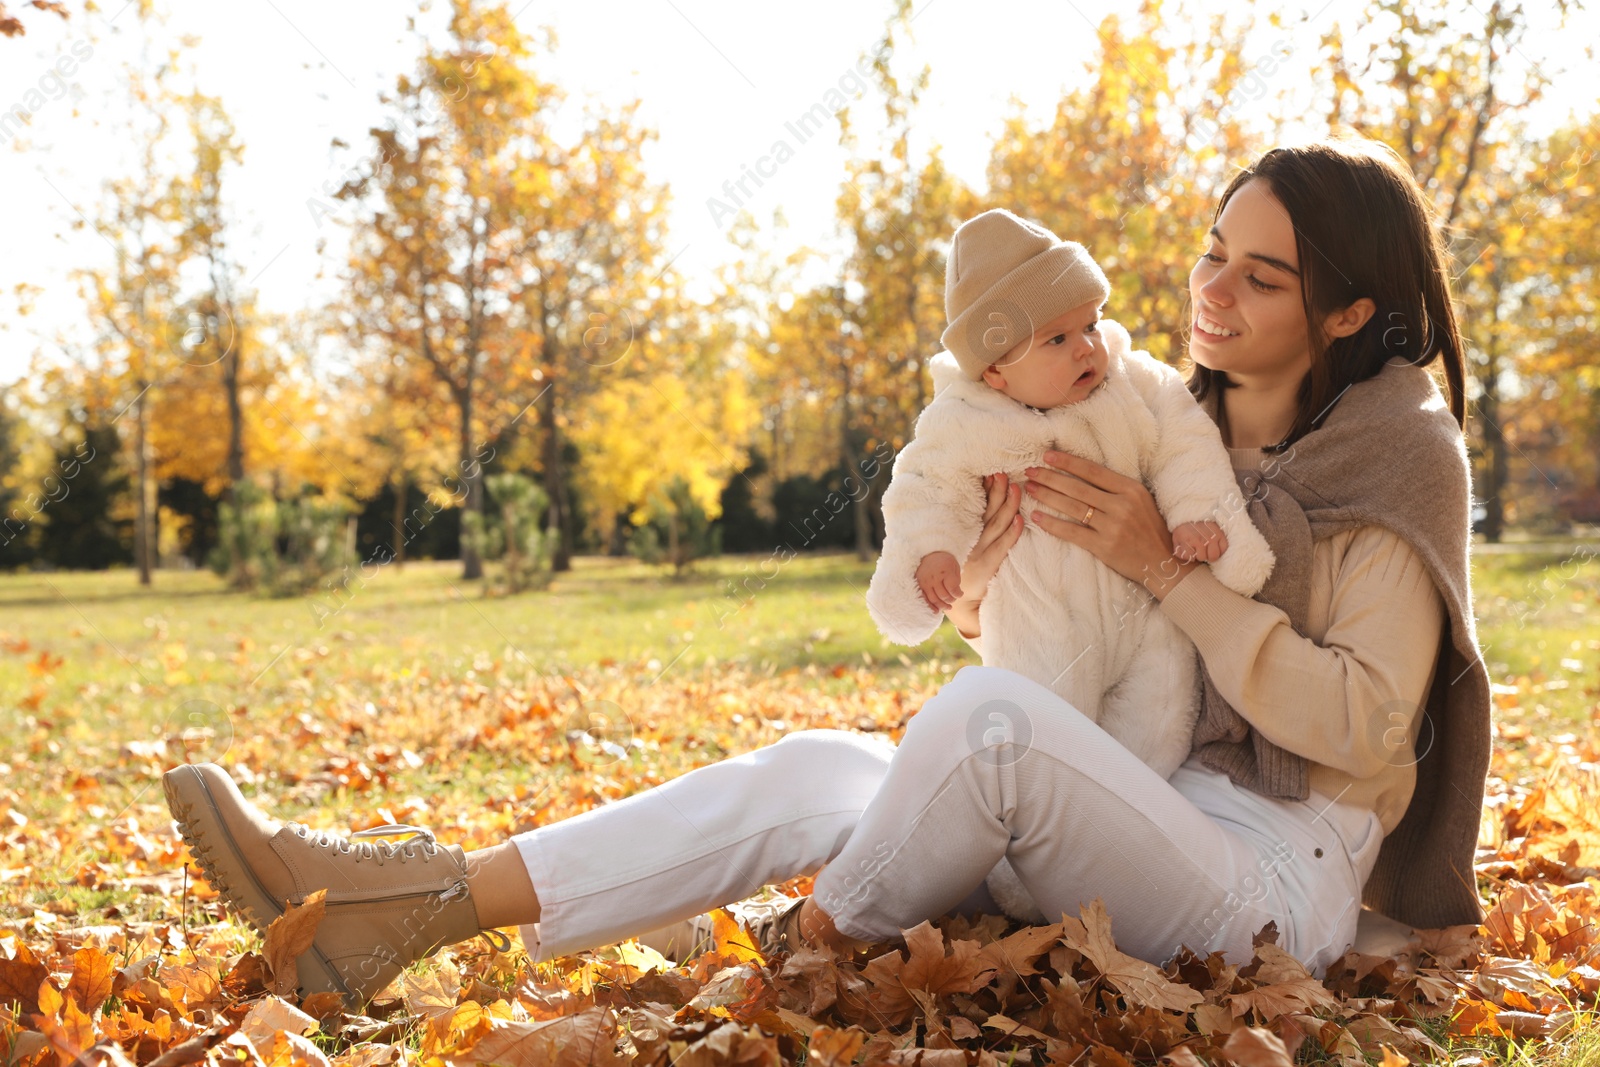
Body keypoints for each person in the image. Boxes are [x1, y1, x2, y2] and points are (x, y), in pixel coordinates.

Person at [161, 138, 1491, 1011]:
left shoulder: (1393, 453)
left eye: (1263, 278)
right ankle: (405, 904)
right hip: (1137, 795)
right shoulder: (1166, 413)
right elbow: (1084, 634)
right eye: (1212, 252)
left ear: (1348, 310)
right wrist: (979, 575)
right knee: (811, 762)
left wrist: (1163, 561)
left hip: (1273, 867)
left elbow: (1361, 723)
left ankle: (790, 966)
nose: (1214, 290)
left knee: (981, 728)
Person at [865, 208, 1278, 788]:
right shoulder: (964, 422)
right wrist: (932, 555)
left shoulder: (1136, 385)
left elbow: (1186, 448)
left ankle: (1128, 828)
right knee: (1042, 752)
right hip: (1039, 621)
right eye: (1057, 339)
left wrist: (1197, 516)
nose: (1087, 348)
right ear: (995, 374)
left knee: (1154, 735)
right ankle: (1028, 854)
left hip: (1145, 615)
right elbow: (926, 490)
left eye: (1090, 324)